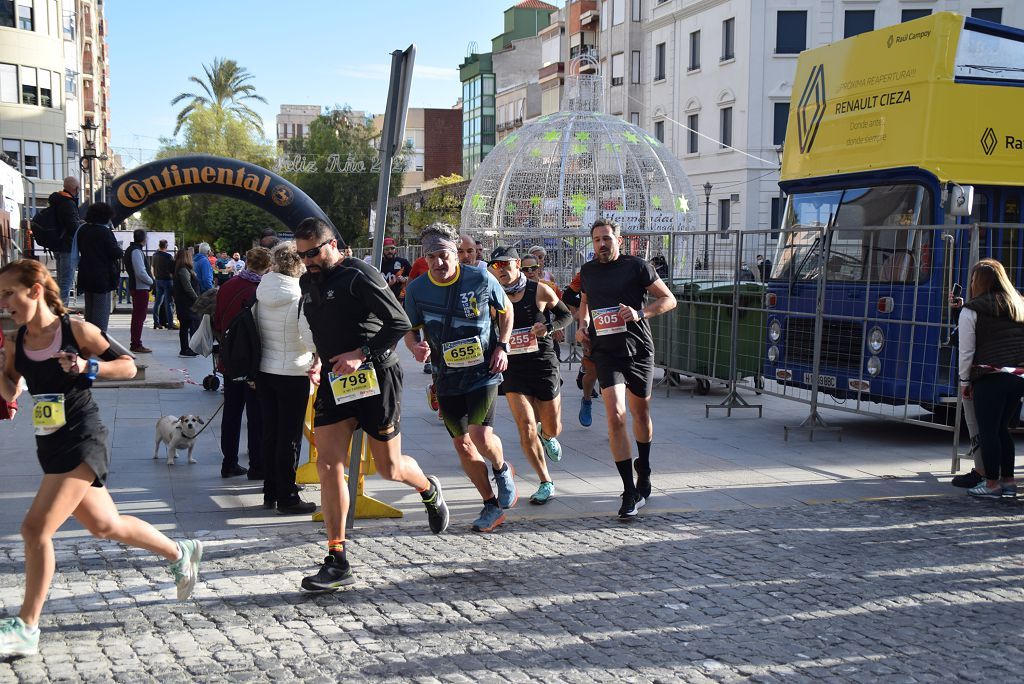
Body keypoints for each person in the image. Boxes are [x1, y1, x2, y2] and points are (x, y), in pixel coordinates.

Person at [0, 260, 202, 658]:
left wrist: (88, 366)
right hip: (49, 441)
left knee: (34, 530)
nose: (4, 302)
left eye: (9, 293)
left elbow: (129, 368)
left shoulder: (76, 329)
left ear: (35, 290)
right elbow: (10, 388)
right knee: (105, 525)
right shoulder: (16, 339)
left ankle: (26, 626)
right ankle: (181, 552)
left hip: (83, 437)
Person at [294, 218, 450, 591]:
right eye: (302, 257)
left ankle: (428, 489)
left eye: (313, 253)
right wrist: (319, 358)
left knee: (389, 467)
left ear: (332, 244)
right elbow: (322, 327)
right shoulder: (307, 281)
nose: (308, 262)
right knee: (328, 463)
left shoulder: (357, 275)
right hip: (335, 380)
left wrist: (360, 354)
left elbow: (398, 323)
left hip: (376, 377)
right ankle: (337, 558)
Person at [404, 222, 517, 533]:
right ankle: (490, 505)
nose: (439, 263)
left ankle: (501, 467)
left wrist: (503, 347)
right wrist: (417, 348)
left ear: (457, 253)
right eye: (431, 258)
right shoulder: (416, 290)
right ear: (423, 259)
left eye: (444, 255)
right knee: (463, 445)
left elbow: (506, 311)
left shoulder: (480, 277)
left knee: (481, 437)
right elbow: (410, 332)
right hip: (446, 377)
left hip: (484, 371)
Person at [576, 219, 677, 520]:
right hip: (606, 353)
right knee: (615, 416)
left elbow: (669, 299)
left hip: (639, 351)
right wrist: (583, 325)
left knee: (640, 414)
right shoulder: (588, 271)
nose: (602, 244)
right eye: (596, 240)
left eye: (607, 238)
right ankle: (628, 491)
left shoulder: (638, 267)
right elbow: (584, 302)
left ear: (619, 240)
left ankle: (643, 469)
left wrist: (639, 313)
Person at [488, 246, 573, 505]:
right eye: (495, 266)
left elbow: (566, 315)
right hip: (513, 367)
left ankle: (547, 436)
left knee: (553, 426)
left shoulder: (541, 290)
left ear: (516, 263)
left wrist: (548, 327)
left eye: (504, 265)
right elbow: (489, 329)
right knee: (525, 426)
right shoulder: (495, 297)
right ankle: (545, 481)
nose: (500, 271)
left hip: (543, 363)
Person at [255, 242, 316, 513]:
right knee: (289, 437)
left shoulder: (262, 290)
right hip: (293, 371)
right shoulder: (298, 295)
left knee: (270, 432)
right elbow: (309, 337)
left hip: (265, 370)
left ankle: (270, 490)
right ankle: (288, 496)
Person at [958, 258, 1024, 499]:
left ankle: (992, 483)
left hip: (989, 375)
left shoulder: (972, 310)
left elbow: (966, 351)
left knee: (988, 431)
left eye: (973, 279)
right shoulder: (1019, 304)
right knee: (1003, 430)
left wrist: (965, 382)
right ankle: (1008, 481)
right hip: (1018, 377)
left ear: (979, 282)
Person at [212, 247, 271, 481]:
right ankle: (257, 464)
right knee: (256, 414)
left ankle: (229, 463)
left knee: (232, 411)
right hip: (253, 363)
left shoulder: (227, 286)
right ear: (268, 267)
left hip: (230, 359)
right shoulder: (262, 291)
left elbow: (217, 320)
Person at [74, 202, 122, 333]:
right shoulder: (105, 232)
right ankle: (98, 344)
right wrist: (120, 249)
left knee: (89, 312)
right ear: (105, 217)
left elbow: (75, 253)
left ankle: (87, 340)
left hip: (85, 275)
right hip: (102, 278)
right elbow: (115, 253)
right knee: (100, 315)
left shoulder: (82, 230)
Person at [563, 268, 599, 426]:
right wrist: (587, 306)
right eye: (597, 240)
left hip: (616, 328)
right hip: (592, 327)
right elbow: (568, 296)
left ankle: (615, 421)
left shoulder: (627, 267)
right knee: (593, 372)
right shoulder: (587, 272)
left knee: (611, 377)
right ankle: (586, 400)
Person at [47, 176, 82, 307]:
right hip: (67, 246)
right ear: (75, 188)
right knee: (66, 283)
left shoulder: (56, 200)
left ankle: (58, 310)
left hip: (57, 245)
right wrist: (81, 225)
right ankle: (62, 314)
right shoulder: (68, 202)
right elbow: (72, 227)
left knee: (62, 281)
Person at [123, 229, 154, 354]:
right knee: (139, 317)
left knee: (138, 316)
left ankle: (135, 342)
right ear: (143, 239)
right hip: (140, 287)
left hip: (138, 287)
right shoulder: (136, 251)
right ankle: (136, 344)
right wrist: (151, 281)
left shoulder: (133, 249)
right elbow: (140, 271)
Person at [172, 247, 200, 358]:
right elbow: (188, 287)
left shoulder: (182, 269)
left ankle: (186, 348)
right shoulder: (184, 270)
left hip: (184, 302)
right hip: (187, 303)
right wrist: (196, 298)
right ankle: (185, 349)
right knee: (186, 325)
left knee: (185, 326)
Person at [151, 240, 177, 330]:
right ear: (166, 246)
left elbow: (153, 268)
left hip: (158, 280)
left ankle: (156, 322)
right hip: (167, 281)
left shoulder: (154, 255)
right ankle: (170, 323)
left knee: (157, 303)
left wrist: (156, 277)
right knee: (168, 303)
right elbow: (172, 269)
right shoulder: (168, 256)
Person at [379, 237, 411, 302]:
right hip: (383, 299)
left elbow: (414, 277)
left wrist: (405, 279)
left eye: (392, 248)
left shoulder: (403, 262)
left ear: (395, 250)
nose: (390, 251)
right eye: (387, 249)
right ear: (382, 250)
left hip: (399, 300)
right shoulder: (378, 263)